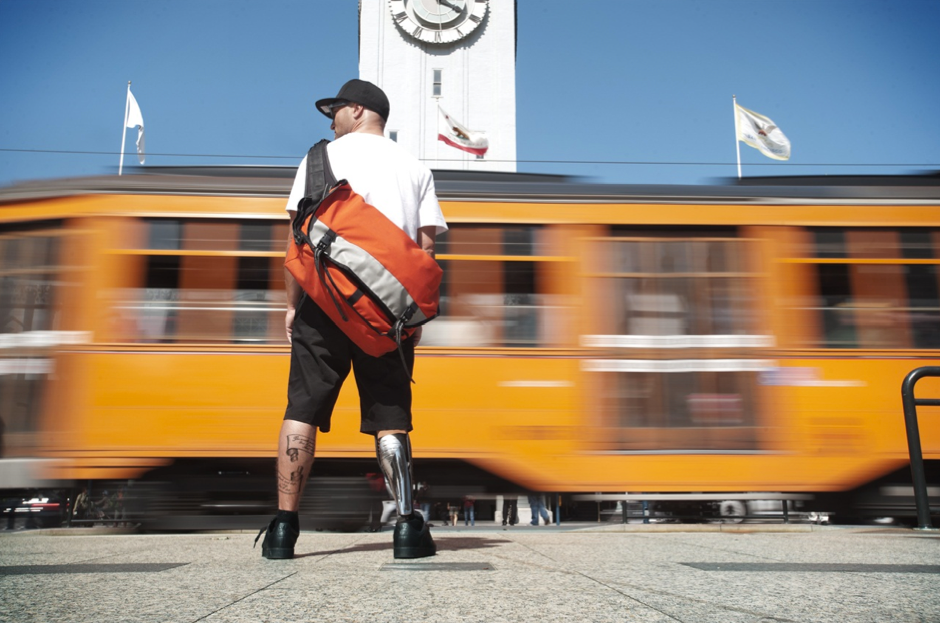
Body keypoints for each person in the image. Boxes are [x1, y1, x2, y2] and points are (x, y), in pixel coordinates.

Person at [257, 79, 448, 561]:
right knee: (391, 420)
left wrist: (292, 305)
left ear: (358, 110)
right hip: (387, 315)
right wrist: (413, 317)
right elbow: (425, 250)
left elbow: (295, 243)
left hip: (321, 306)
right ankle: (406, 528)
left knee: (300, 412)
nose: (331, 121)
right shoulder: (416, 168)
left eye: (336, 111)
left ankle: (283, 530)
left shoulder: (319, 159)